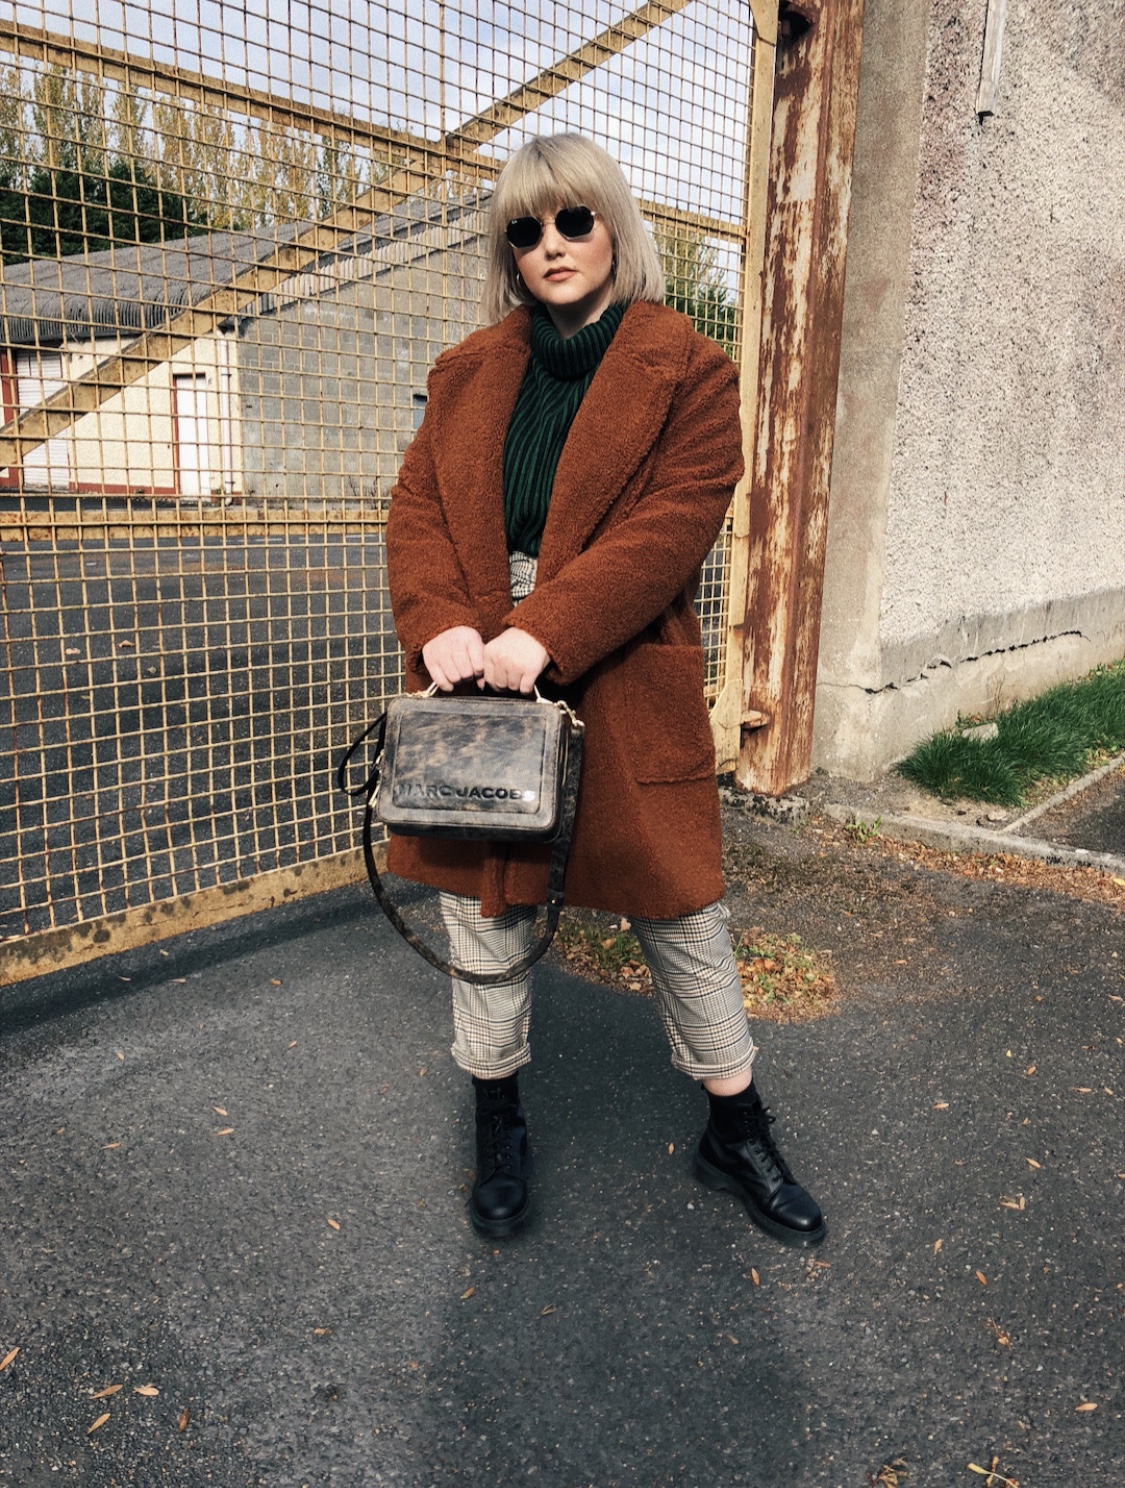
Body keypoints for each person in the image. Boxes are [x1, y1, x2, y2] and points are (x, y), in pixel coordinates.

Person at [385, 134, 825, 1249]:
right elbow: (417, 513)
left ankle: (736, 1126)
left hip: (620, 670)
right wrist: (439, 623)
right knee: (484, 903)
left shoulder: (689, 367)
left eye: (572, 219)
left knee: (678, 905)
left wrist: (545, 630)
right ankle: (498, 1120)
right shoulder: (466, 371)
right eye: (524, 229)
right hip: (475, 676)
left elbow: (675, 523)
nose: (550, 244)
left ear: (614, 227)